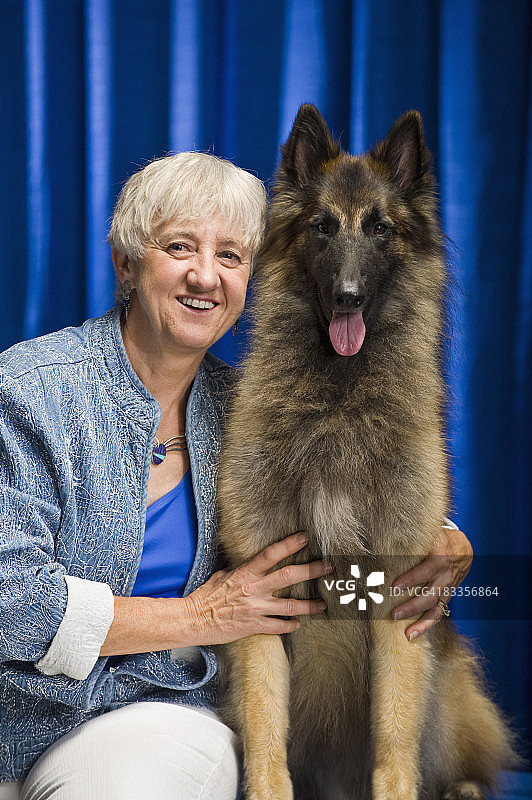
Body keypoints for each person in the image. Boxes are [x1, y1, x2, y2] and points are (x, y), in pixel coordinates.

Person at [0, 152, 473, 800]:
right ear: (127, 263)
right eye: (179, 247)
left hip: (159, 722)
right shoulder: (30, 391)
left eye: (231, 256)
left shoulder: (255, 410)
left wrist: (438, 539)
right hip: (15, 729)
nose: (205, 275)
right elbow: (13, 603)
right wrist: (199, 616)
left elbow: (326, 582)